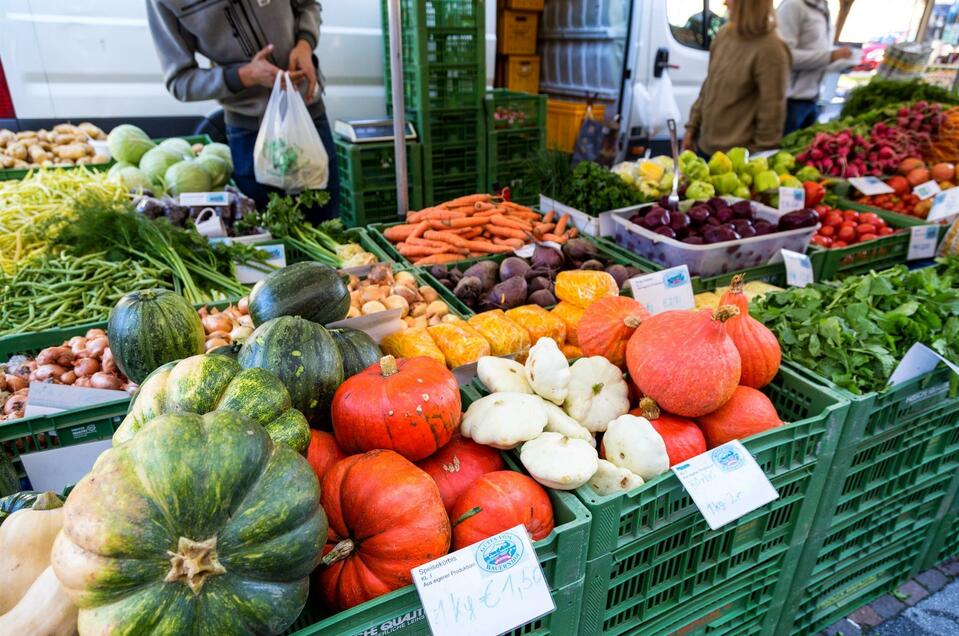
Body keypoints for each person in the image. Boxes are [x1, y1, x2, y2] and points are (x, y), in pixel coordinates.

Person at [145, 0, 339, 221]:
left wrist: (305, 43)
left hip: (307, 116)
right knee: (267, 236)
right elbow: (179, 82)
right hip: (248, 132)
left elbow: (308, 5)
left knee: (327, 227)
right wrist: (245, 76)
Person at [683, 0, 791, 155]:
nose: (725, 3)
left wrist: (756, 157)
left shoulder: (772, 48)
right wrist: (691, 128)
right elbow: (708, 86)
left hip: (737, 159)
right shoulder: (724, 34)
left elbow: (772, 112)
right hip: (704, 148)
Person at [778, 0, 853, 135]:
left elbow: (818, 58)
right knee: (776, 153)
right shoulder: (793, 6)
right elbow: (783, 56)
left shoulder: (823, 8)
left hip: (813, 100)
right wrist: (830, 56)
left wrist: (841, 63)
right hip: (789, 102)